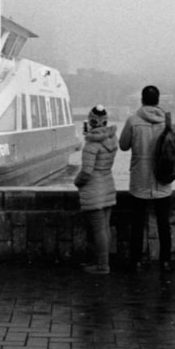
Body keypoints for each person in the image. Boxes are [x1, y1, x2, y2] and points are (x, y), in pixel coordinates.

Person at [118, 85, 175, 272]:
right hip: (162, 178)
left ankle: (136, 261)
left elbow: (123, 145)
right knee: (163, 223)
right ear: (158, 100)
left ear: (142, 99)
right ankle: (165, 261)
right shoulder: (170, 121)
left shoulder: (133, 121)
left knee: (137, 223)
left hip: (140, 179)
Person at [74, 105, 118, 275]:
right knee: (105, 228)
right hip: (107, 185)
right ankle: (101, 261)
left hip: (94, 189)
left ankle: (102, 266)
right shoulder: (111, 141)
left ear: (91, 121)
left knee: (98, 229)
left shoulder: (91, 146)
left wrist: (77, 182)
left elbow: (86, 172)